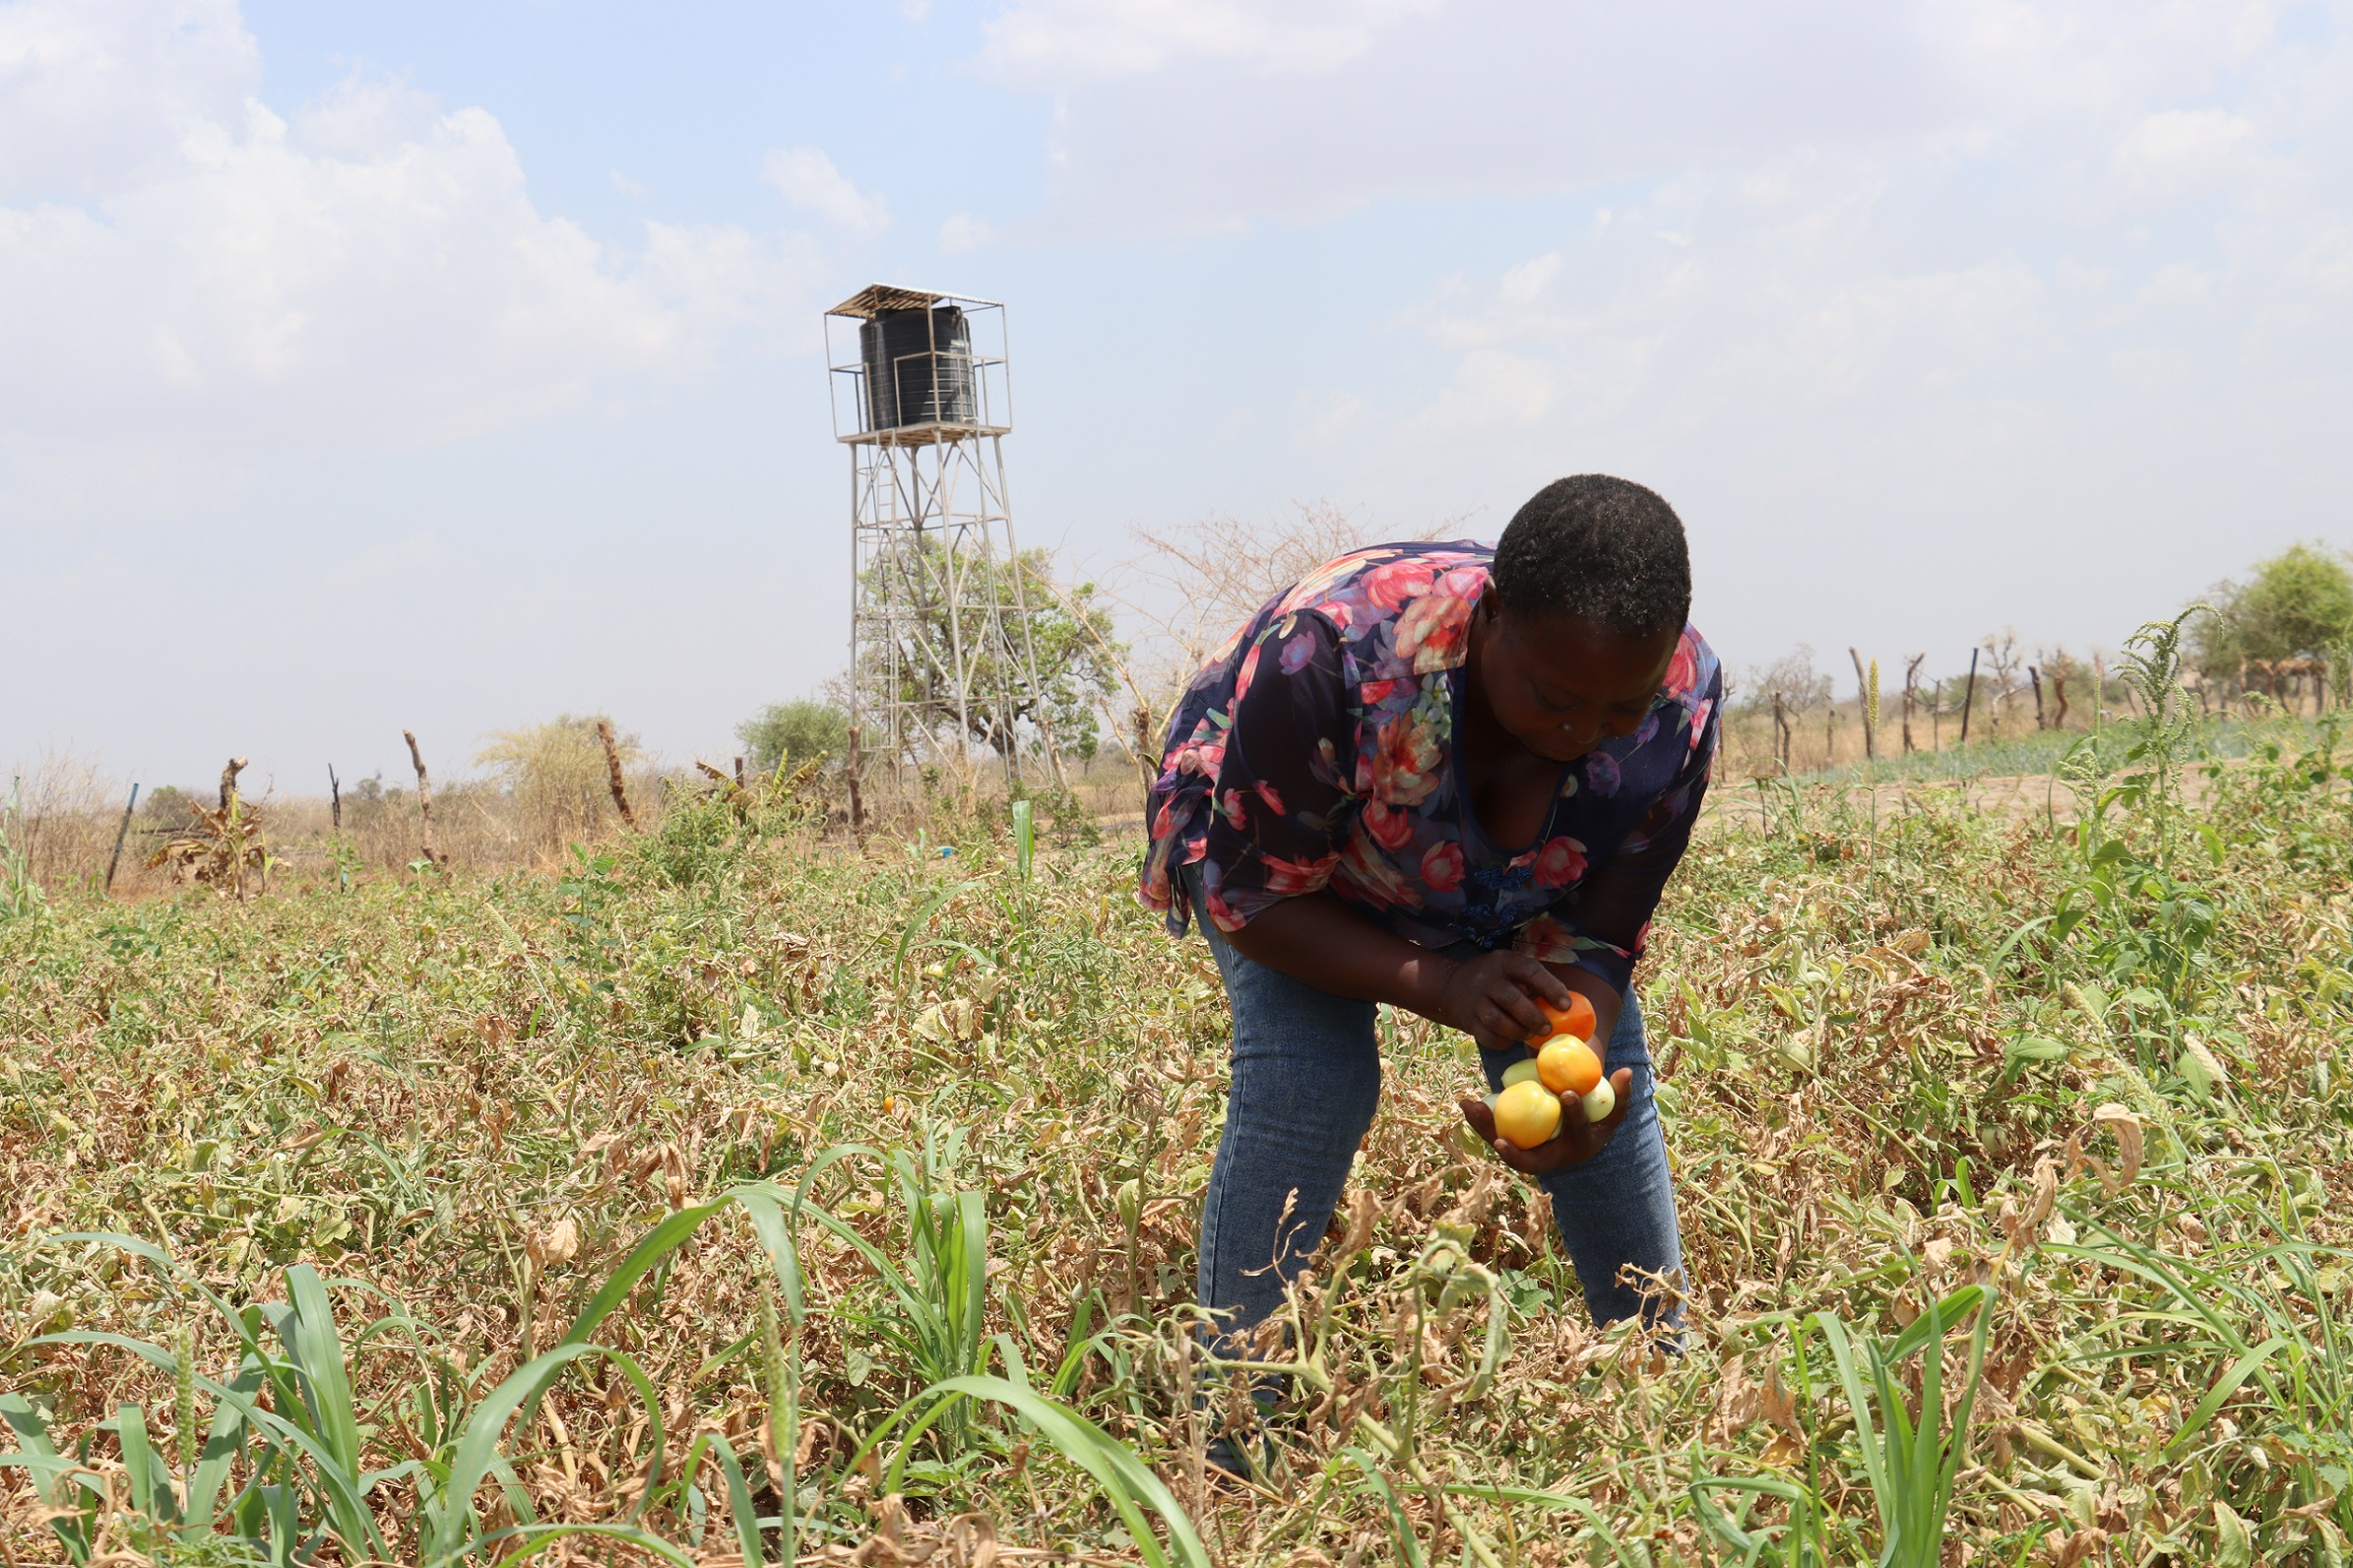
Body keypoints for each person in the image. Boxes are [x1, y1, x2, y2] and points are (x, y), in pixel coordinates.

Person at [1138, 475, 1720, 1464]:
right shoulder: (1332, 656)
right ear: (1489, 619)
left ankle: (1658, 1397)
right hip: (1294, 864)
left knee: (1598, 1087)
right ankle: (1229, 1436)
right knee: (1308, 1080)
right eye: (1552, 697)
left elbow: (1604, 929)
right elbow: (1256, 900)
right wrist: (1445, 985)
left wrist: (1562, 1050)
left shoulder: (1676, 705)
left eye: (1616, 706)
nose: (1582, 732)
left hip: (1504, 880)